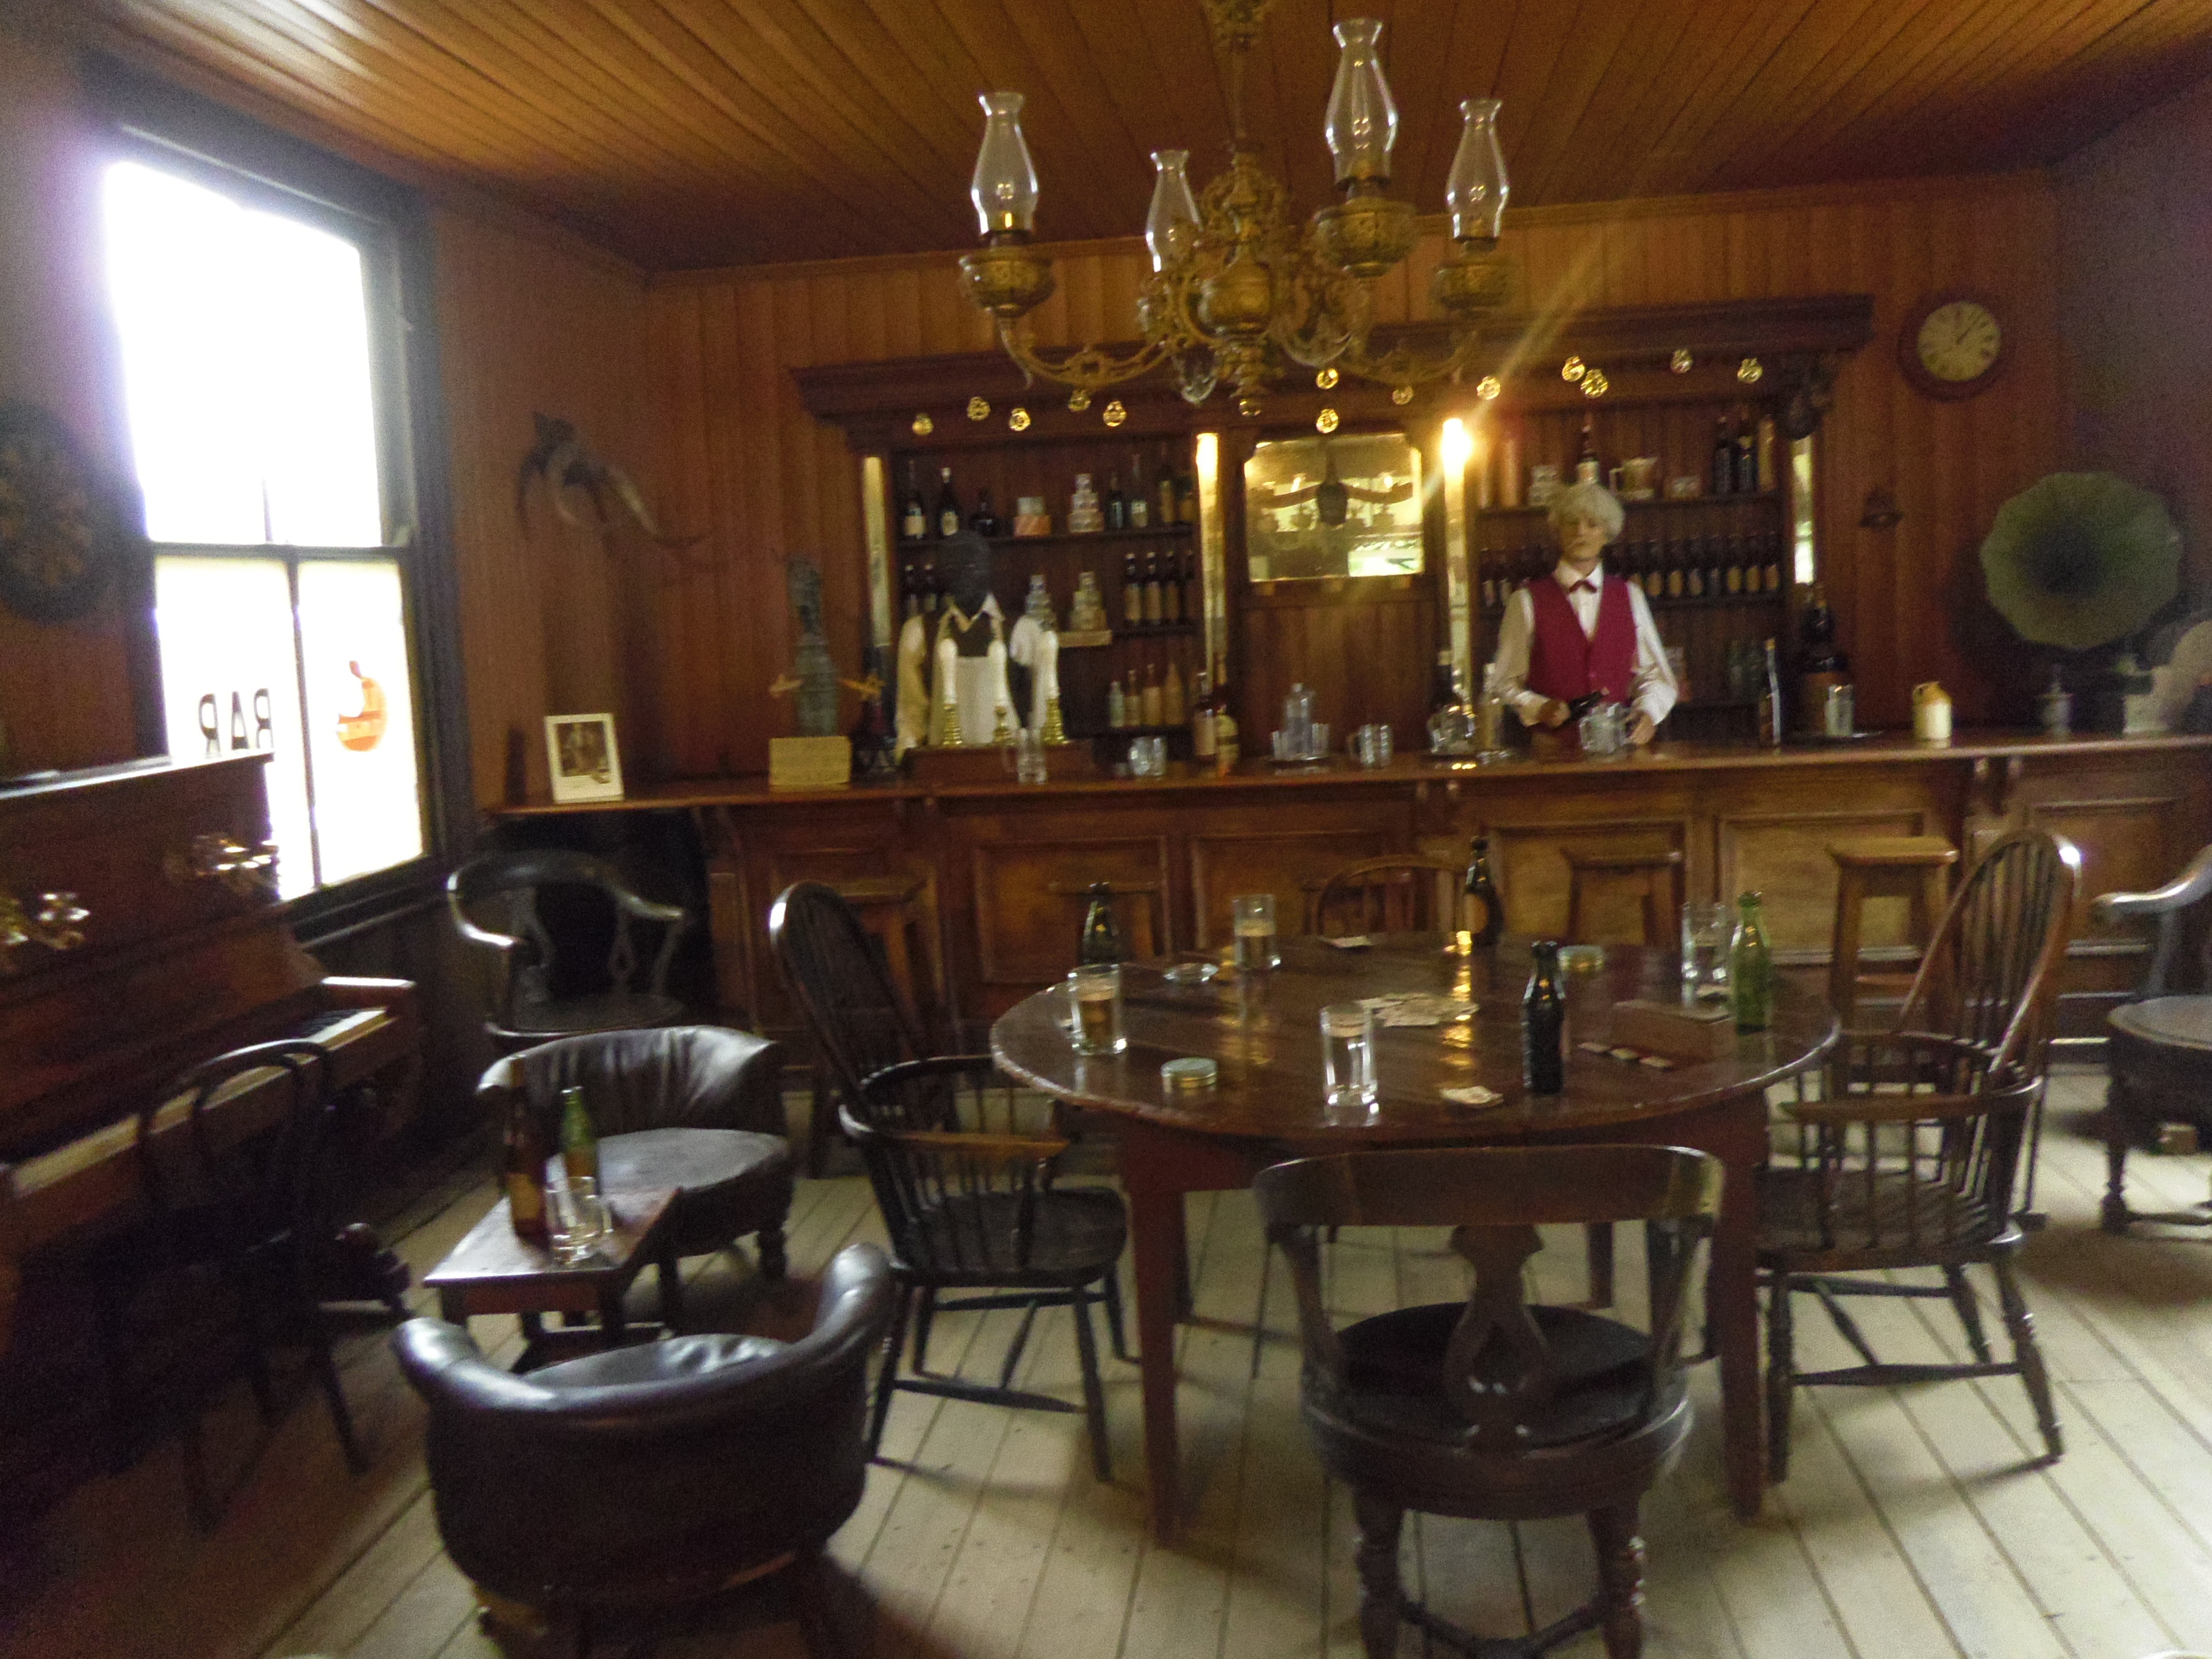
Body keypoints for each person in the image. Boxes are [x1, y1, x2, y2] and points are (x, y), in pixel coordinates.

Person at [1490, 481, 1677, 745]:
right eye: (1572, 523)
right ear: (1558, 531)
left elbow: (1655, 675)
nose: (1581, 531)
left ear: (1607, 533)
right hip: (1551, 751)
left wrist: (1648, 713)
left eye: (1592, 524)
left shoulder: (1630, 596)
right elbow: (1502, 683)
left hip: (1619, 748)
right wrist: (1539, 707)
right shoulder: (1526, 601)